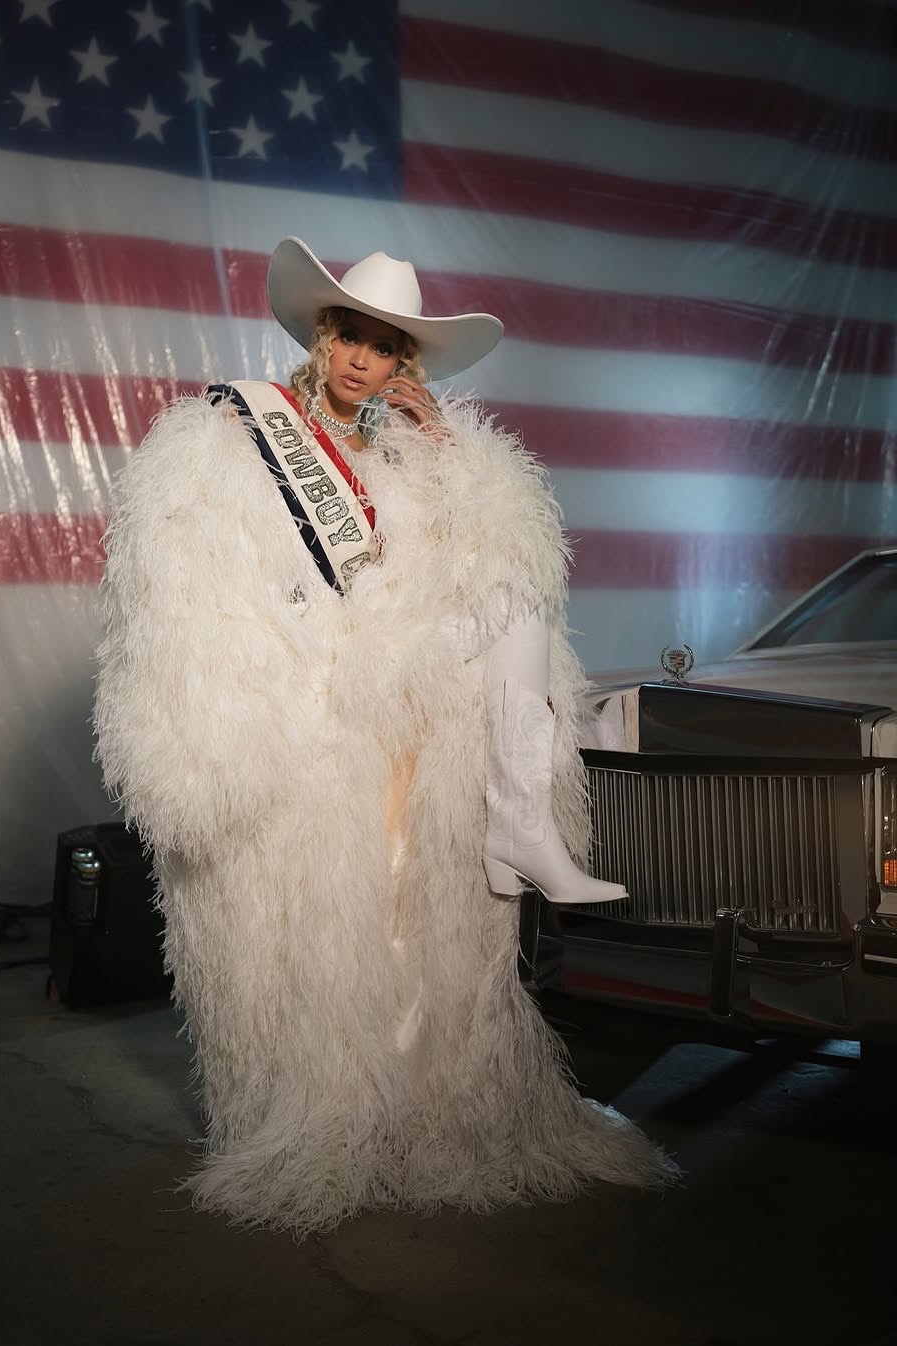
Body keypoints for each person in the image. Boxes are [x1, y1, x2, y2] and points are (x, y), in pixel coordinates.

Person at [94, 237, 675, 1234]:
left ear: (406, 361)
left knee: (414, 912)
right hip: (314, 724)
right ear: (322, 335)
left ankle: (423, 1099)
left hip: (407, 728)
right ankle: (332, 1112)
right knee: (326, 929)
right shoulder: (233, 438)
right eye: (350, 335)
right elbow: (200, 595)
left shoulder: (420, 450)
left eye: (386, 346)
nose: (363, 360)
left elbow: (503, 570)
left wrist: (451, 457)